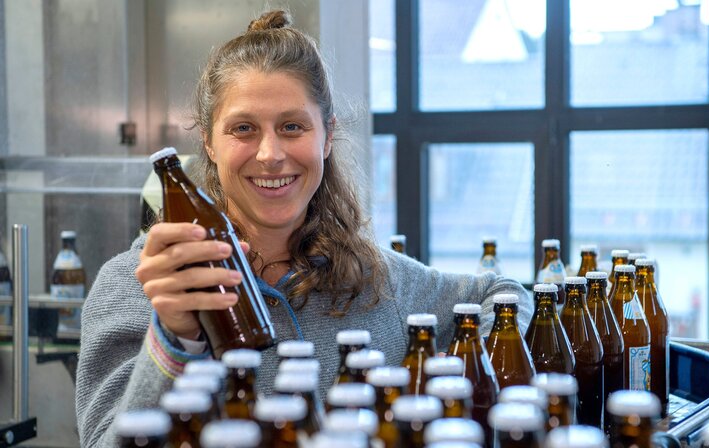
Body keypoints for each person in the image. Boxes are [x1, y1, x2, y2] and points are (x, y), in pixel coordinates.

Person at [75, 10, 532, 448]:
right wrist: (176, 339)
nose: (270, 154)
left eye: (292, 126)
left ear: (327, 136)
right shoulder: (136, 287)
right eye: (243, 129)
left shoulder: (378, 281)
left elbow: (505, 292)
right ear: (209, 143)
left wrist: (457, 385)